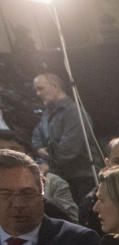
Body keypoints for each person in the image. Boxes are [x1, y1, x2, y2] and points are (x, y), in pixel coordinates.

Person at [31, 72, 99, 204]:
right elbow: (36, 139)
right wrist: (40, 150)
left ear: (55, 86)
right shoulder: (46, 114)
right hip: (61, 177)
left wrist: (47, 162)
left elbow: (68, 150)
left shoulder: (74, 112)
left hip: (81, 179)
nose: (38, 94)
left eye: (40, 88)